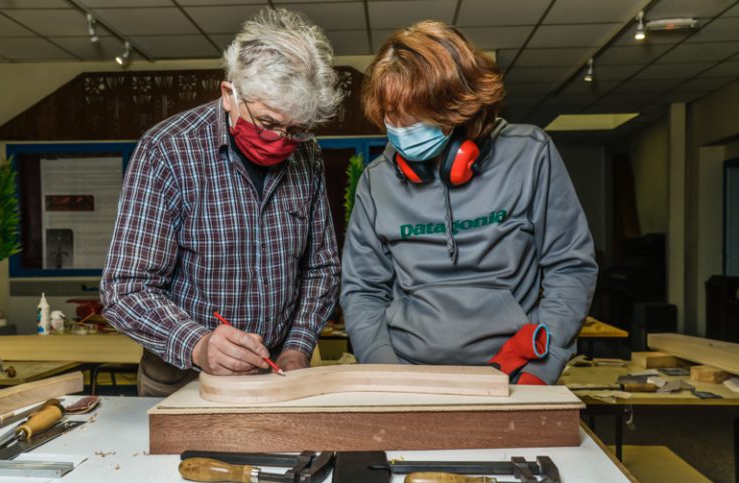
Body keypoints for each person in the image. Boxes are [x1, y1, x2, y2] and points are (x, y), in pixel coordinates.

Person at [100, 8, 343, 397]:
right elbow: (124, 289)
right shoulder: (166, 151)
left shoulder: (307, 154)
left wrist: (299, 345)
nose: (282, 140)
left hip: (278, 371)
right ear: (229, 95)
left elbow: (322, 267)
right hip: (182, 376)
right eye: (267, 123)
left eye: (296, 129)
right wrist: (198, 344)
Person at [340, 21, 598, 385]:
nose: (400, 127)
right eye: (391, 115)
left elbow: (571, 268)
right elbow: (362, 290)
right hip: (406, 375)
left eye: (414, 114)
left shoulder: (529, 155)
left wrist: (543, 366)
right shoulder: (377, 181)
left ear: (457, 105)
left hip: (512, 373)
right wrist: (385, 371)